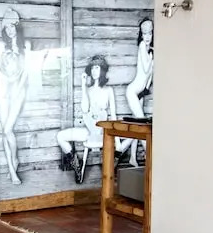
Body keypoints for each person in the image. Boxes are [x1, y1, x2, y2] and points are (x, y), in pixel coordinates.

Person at [56, 55, 116, 173]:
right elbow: (84, 109)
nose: (94, 71)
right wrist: (83, 86)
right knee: (60, 136)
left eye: (97, 67)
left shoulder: (108, 90)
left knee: (131, 136)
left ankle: (115, 160)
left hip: (103, 132)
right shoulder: (88, 90)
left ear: (102, 70)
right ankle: (76, 165)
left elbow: (113, 116)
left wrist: (117, 142)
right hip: (89, 131)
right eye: (92, 68)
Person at [0, 9, 30, 185]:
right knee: (4, 131)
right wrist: (6, 76)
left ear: (17, 26)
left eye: (12, 26)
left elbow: (27, 71)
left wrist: (17, 85)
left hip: (18, 91)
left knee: (8, 129)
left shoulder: (26, 45)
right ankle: (12, 168)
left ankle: (14, 160)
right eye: (6, 27)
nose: (9, 30)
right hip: (3, 91)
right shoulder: (1, 46)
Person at [116, 17, 153, 166]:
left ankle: (132, 157)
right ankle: (151, 157)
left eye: (150, 33)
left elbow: (149, 78)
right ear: (141, 35)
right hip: (132, 92)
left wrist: (145, 91)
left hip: (140, 93)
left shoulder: (150, 50)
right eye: (144, 34)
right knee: (142, 126)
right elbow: (146, 68)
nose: (147, 37)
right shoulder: (142, 46)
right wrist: (152, 57)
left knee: (138, 127)